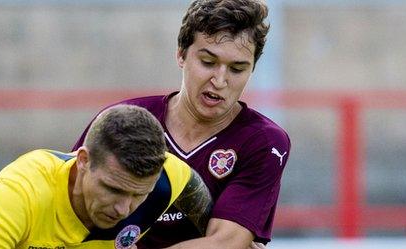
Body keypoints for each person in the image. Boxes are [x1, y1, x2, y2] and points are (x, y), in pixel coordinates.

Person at [72, 0, 290, 248]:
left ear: (252, 70)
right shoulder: (122, 120)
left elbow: (225, 242)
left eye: (237, 69)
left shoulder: (264, 142)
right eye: (208, 62)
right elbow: (71, 204)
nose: (219, 80)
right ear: (181, 54)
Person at [0, 105, 212, 249]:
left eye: (139, 195)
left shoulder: (167, 177)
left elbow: (205, 206)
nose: (123, 209)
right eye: (113, 189)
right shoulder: (23, 189)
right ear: (84, 161)